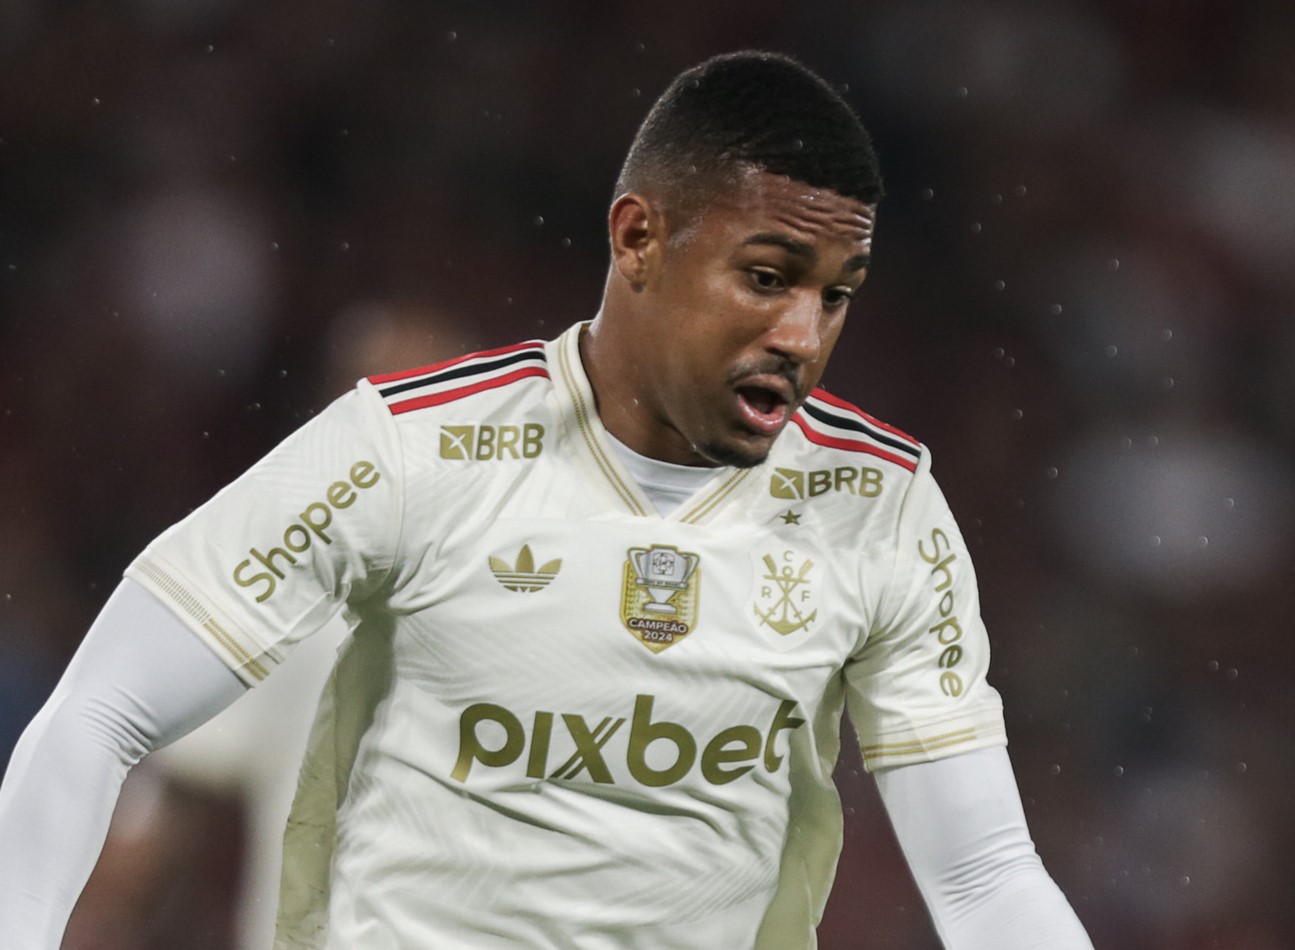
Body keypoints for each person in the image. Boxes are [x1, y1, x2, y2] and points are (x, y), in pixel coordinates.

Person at [0, 51, 1093, 948]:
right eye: (766, 278)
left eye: (834, 294)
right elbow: (97, 715)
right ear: (637, 239)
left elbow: (984, 872)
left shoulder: (876, 504)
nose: (802, 335)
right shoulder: (407, 452)